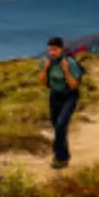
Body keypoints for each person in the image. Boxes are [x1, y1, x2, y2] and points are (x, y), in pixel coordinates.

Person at [39, 36, 83, 169]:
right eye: (50, 50)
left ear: (61, 49)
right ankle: (64, 155)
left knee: (60, 125)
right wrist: (45, 69)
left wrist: (66, 71)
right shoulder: (46, 61)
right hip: (54, 96)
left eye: (55, 49)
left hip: (69, 96)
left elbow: (74, 85)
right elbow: (43, 83)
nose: (52, 52)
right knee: (57, 128)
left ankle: (59, 158)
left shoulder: (70, 63)